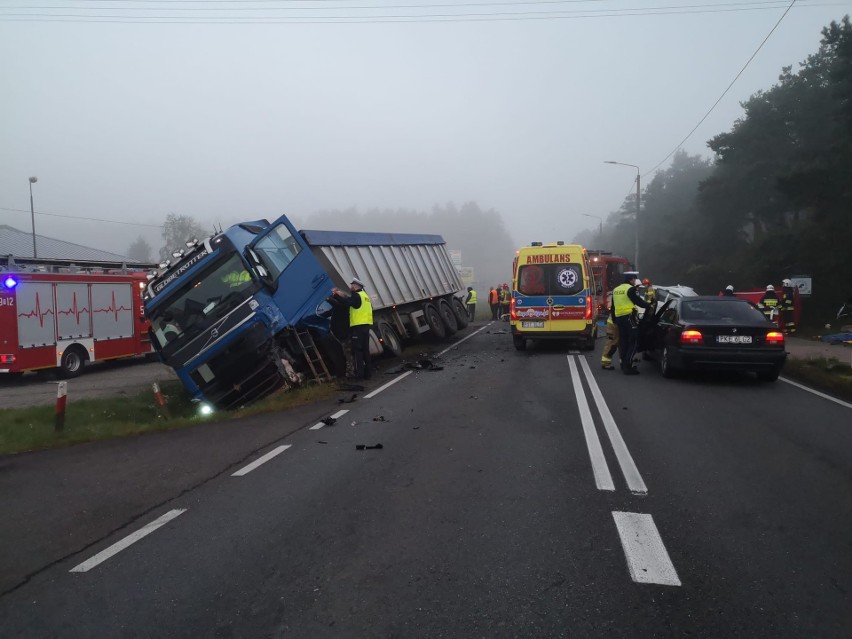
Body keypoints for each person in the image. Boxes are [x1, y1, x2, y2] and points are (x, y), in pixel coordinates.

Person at [331, 278, 373, 380]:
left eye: (352, 285)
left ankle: (360, 375)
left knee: (357, 351)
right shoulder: (365, 296)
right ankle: (368, 373)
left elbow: (347, 302)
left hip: (358, 327)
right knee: (366, 351)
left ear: (356, 286)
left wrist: (336, 295)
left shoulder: (356, 295)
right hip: (366, 326)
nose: (350, 287)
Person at [612, 271, 652, 376]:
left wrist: (614, 320)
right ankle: (628, 366)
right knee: (633, 341)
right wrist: (649, 306)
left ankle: (623, 363)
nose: (635, 282)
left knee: (623, 342)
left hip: (619, 318)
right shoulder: (630, 289)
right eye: (634, 280)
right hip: (629, 317)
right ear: (631, 280)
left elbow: (613, 307)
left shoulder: (616, 290)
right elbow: (637, 301)